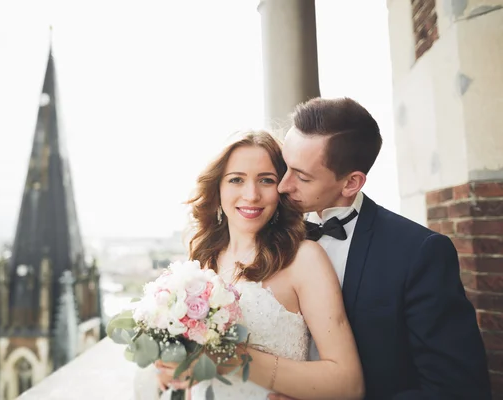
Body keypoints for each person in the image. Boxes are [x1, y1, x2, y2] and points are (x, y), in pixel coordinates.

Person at [268, 97, 491, 399]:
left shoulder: (419, 253)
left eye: (302, 176)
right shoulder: (266, 228)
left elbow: (457, 388)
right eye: (285, 165)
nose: (282, 185)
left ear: (351, 183)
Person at [156, 130, 365, 399]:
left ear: (281, 190)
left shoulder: (304, 259)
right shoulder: (202, 258)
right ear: (218, 189)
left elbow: (348, 385)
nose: (251, 195)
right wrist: (177, 366)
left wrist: (230, 357)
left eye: (266, 180)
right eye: (236, 180)